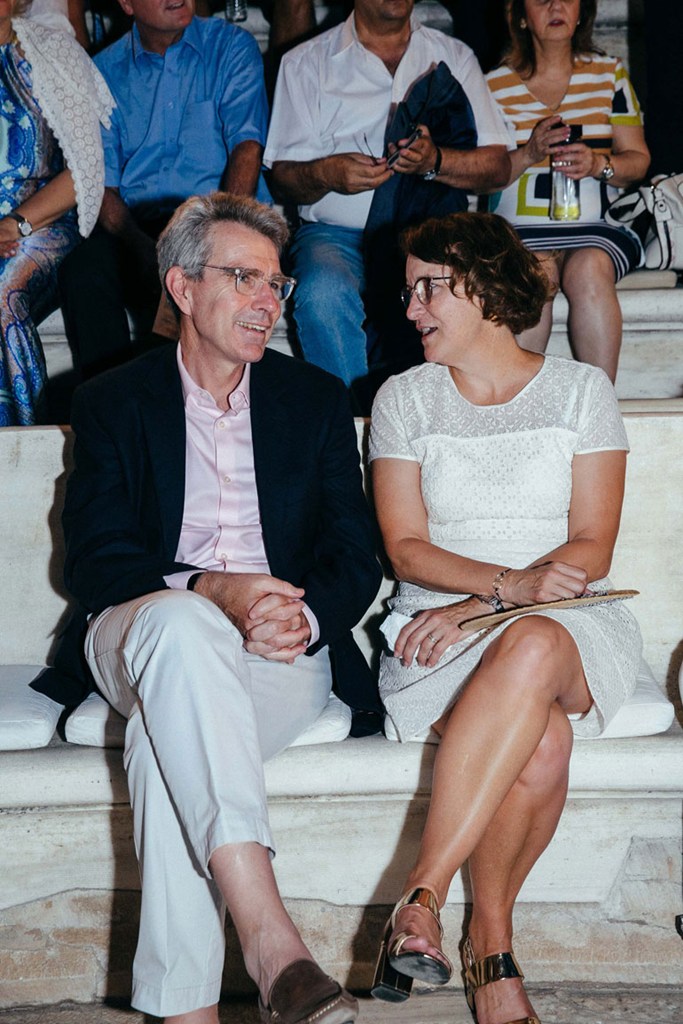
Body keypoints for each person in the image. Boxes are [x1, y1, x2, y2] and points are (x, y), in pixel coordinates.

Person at [32, 193, 381, 1023]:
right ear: (183, 288)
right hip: (137, 631)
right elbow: (96, 560)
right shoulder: (113, 400)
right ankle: (271, 941)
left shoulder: (313, 399)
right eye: (242, 278)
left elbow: (353, 552)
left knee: (167, 752)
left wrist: (305, 619)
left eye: (276, 284)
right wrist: (211, 589)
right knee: (183, 623)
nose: (268, 301)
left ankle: (187, 1011)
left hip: (275, 650)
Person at [368, 211, 642, 1024]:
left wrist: (494, 600)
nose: (410, 308)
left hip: (567, 619)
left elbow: (591, 544)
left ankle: (421, 895)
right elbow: (406, 549)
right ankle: (490, 947)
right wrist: (497, 592)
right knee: (542, 739)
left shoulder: (581, 391)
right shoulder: (403, 399)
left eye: (428, 288)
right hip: (436, 625)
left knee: (529, 643)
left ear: (484, 287)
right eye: (407, 290)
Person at [264, 0, 511, 394]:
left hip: (427, 231)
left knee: (452, 291)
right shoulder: (306, 62)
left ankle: (439, 411)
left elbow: (497, 167)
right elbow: (282, 180)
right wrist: (329, 173)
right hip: (336, 235)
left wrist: (436, 160)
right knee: (323, 293)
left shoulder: (453, 55)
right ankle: (350, 418)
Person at [57, 0, 270, 381]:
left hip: (217, 217)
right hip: (136, 226)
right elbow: (102, 185)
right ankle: (109, 398)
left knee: (194, 276)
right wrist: (142, 246)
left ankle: (174, 396)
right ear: (126, 3)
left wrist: (221, 235)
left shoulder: (231, 47)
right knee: (84, 272)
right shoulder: (100, 71)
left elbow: (247, 148)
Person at [486, 0, 650, 382]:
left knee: (590, 268)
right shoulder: (492, 85)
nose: (556, 5)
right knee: (534, 274)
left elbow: (638, 160)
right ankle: (519, 403)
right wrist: (529, 153)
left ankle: (600, 402)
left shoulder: (609, 74)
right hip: (520, 231)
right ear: (521, 16)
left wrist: (598, 164)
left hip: (597, 227)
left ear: (581, 13)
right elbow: (484, 176)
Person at [0, 3, 112, 425]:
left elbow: (85, 172)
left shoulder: (54, 51)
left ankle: (21, 442)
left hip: (42, 220)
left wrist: (13, 224)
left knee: (2, 289)